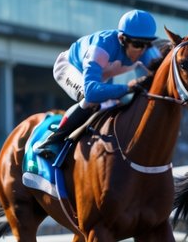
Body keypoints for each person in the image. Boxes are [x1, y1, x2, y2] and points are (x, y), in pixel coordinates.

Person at [33, 9, 163, 160]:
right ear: (122, 39)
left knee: (116, 106)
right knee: (91, 101)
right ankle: (51, 142)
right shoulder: (101, 48)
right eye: (138, 44)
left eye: (148, 44)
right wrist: (128, 87)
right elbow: (91, 92)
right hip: (71, 68)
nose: (143, 50)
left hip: (103, 75)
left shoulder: (147, 50)